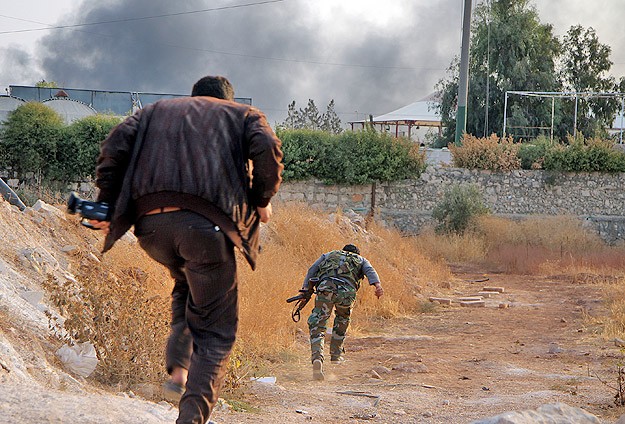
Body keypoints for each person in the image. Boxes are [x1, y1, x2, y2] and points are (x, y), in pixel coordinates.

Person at [89, 75, 283, 424]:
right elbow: (267, 148)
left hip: (150, 229)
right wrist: (261, 199)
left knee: (186, 283)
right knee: (216, 332)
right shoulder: (242, 115)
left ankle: (179, 367)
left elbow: (113, 148)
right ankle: (191, 418)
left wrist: (105, 203)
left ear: (193, 97)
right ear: (226, 99)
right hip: (206, 228)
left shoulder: (153, 112)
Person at [302, 244, 383, 381]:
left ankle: (317, 358)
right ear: (356, 253)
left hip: (325, 289)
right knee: (342, 321)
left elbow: (312, 270)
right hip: (346, 293)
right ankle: (336, 357)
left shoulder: (328, 255)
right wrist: (378, 286)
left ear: (342, 250)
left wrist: (305, 289)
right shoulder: (361, 259)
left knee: (318, 324)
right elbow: (370, 271)